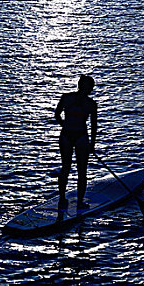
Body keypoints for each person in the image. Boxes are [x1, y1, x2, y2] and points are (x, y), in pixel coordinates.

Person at [55, 75, 97, 209]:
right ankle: (75, 202)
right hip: (76, 136)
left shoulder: (67, 98)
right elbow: (94, 126)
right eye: (90, 87)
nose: (91, 90)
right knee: (76, 169)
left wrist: (65, 125)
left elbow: (57, 114)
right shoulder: (89, 103)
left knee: (69, 168)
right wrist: (92, 145)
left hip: (70, 135)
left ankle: (66, 200)